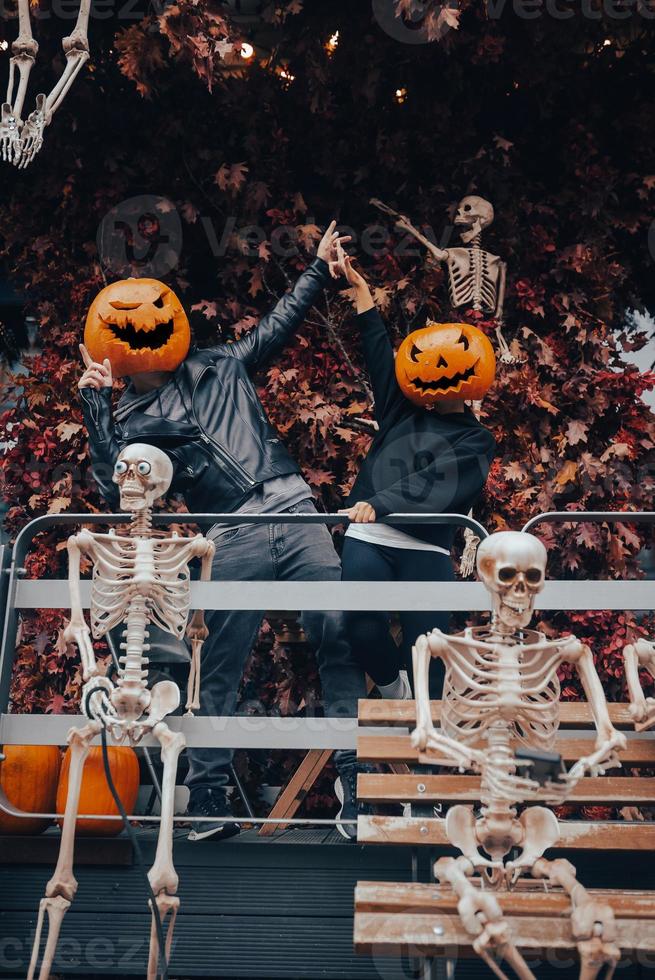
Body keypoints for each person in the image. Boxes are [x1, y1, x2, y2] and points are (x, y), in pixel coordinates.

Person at [77, 222, 368, 842]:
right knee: (216, 661)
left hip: (294, 509)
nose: (146, 320)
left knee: (338, 635)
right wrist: (97, 404)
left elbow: (279, 325)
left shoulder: (223, 364)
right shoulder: (131, 414)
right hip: (228, 532)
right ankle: (209, 795)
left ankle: (354, 779)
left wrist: (316, 268)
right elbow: (113, 482)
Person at [338, 246, 496, 700]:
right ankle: (395, 695)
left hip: (425, 547)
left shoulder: (476, 441)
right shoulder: (399, 412)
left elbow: (438, 485)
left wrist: (380, 503)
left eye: (451, 360)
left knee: (430, 651)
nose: (437, 368)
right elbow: (377, 354)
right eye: (426, 359)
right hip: (371, 537)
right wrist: (363, 297)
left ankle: (426, 753)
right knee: (362, 629)